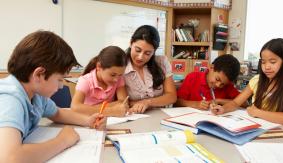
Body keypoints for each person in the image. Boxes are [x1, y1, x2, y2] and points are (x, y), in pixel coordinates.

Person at [0, 31, 106, 163]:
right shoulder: (10, 99)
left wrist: (88, 121)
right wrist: (62, 141)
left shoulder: (36, 95)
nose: (61, 86)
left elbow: (57, 113)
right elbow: (10, 158)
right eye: (60, 79)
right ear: (39, 74)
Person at [211, 38, 283, 126]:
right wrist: (223, 109)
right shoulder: (257, 80)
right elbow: (235, 103)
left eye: (272, 62)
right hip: (257, 129)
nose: (267, 67)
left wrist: (258, 112)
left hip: (280, 135)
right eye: (263, 62)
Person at [124, 25, 177, 113]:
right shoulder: (121, 65)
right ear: (130, 43)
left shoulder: (162, 62)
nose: (140, 57)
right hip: (133, 116)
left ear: (154, 51)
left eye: (147, 53)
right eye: (137, 50)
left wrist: (148, 102)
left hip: (160, 115)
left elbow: (172, 96)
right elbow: (122, 102)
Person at [71, 46, 129, 117]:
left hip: (110, 121)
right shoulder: (85, 81)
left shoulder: (118, 78)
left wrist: (90, 108)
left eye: (120, 75)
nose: (116, 79)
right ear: (99, 66)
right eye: (112, 75)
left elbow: (123, 102)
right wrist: (111, 110)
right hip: (88, 121)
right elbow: (75, 108)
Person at [176, 54, 241, 110]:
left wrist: (219, 101)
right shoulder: (193, 77)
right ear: (211, 67)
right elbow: (177, 102)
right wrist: (196, 104)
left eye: (222, 84)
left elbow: (244, 103)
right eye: (217, 79)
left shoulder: (228, 86)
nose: (218, 85)